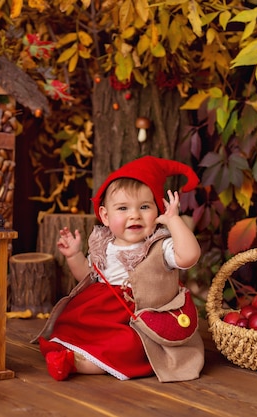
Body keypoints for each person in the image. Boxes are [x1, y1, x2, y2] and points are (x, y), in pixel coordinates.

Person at [33, 156, 205, 382]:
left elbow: (189, 256)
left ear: (158, 210)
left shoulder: (160, 245)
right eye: (123, 208)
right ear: (105, 215)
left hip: (141, 317)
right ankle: (76, 353)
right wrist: (74, 255)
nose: (135, 215)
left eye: (144, 207)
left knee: (129, 345)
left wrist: (174, 221)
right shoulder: (103, 244)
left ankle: (80, 363)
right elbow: (89, 276)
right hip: (102, 310)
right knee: (73, 324)